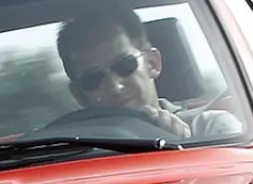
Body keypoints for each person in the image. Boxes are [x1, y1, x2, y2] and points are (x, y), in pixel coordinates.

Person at [56, 8, 243, 140]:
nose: (115, 86)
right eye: (93, 79)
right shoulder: (70, 156)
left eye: (124, 65)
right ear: (80, 95)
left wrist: (184, 148)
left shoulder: (209, 129)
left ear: (152, 63)